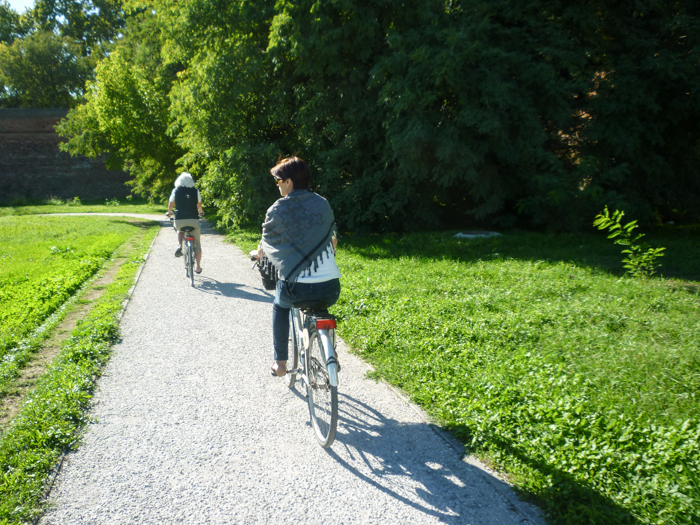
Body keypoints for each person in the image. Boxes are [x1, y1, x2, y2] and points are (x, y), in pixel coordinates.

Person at [250, 157, 341, 377]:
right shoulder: (322, 203)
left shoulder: (277, 209)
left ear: (289, 181)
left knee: (280, 307)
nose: (277, 184)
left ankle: (280, 363)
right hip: (330, 287)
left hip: (295, 288)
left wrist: (257, 254)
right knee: (320, 303)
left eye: (278, 180)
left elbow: (267, 243)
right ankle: (330, 350)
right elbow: (333, 239)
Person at [166, 172, 204, 274]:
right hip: (193, 219)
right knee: (197, 245)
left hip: (179, 219)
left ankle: (180, 245)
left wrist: (169, 213)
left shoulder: (176, 190)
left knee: (180, 230)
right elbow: (199, 205)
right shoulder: (196, 191)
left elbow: (171, 204)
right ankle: (198, 267)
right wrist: (201, 212)